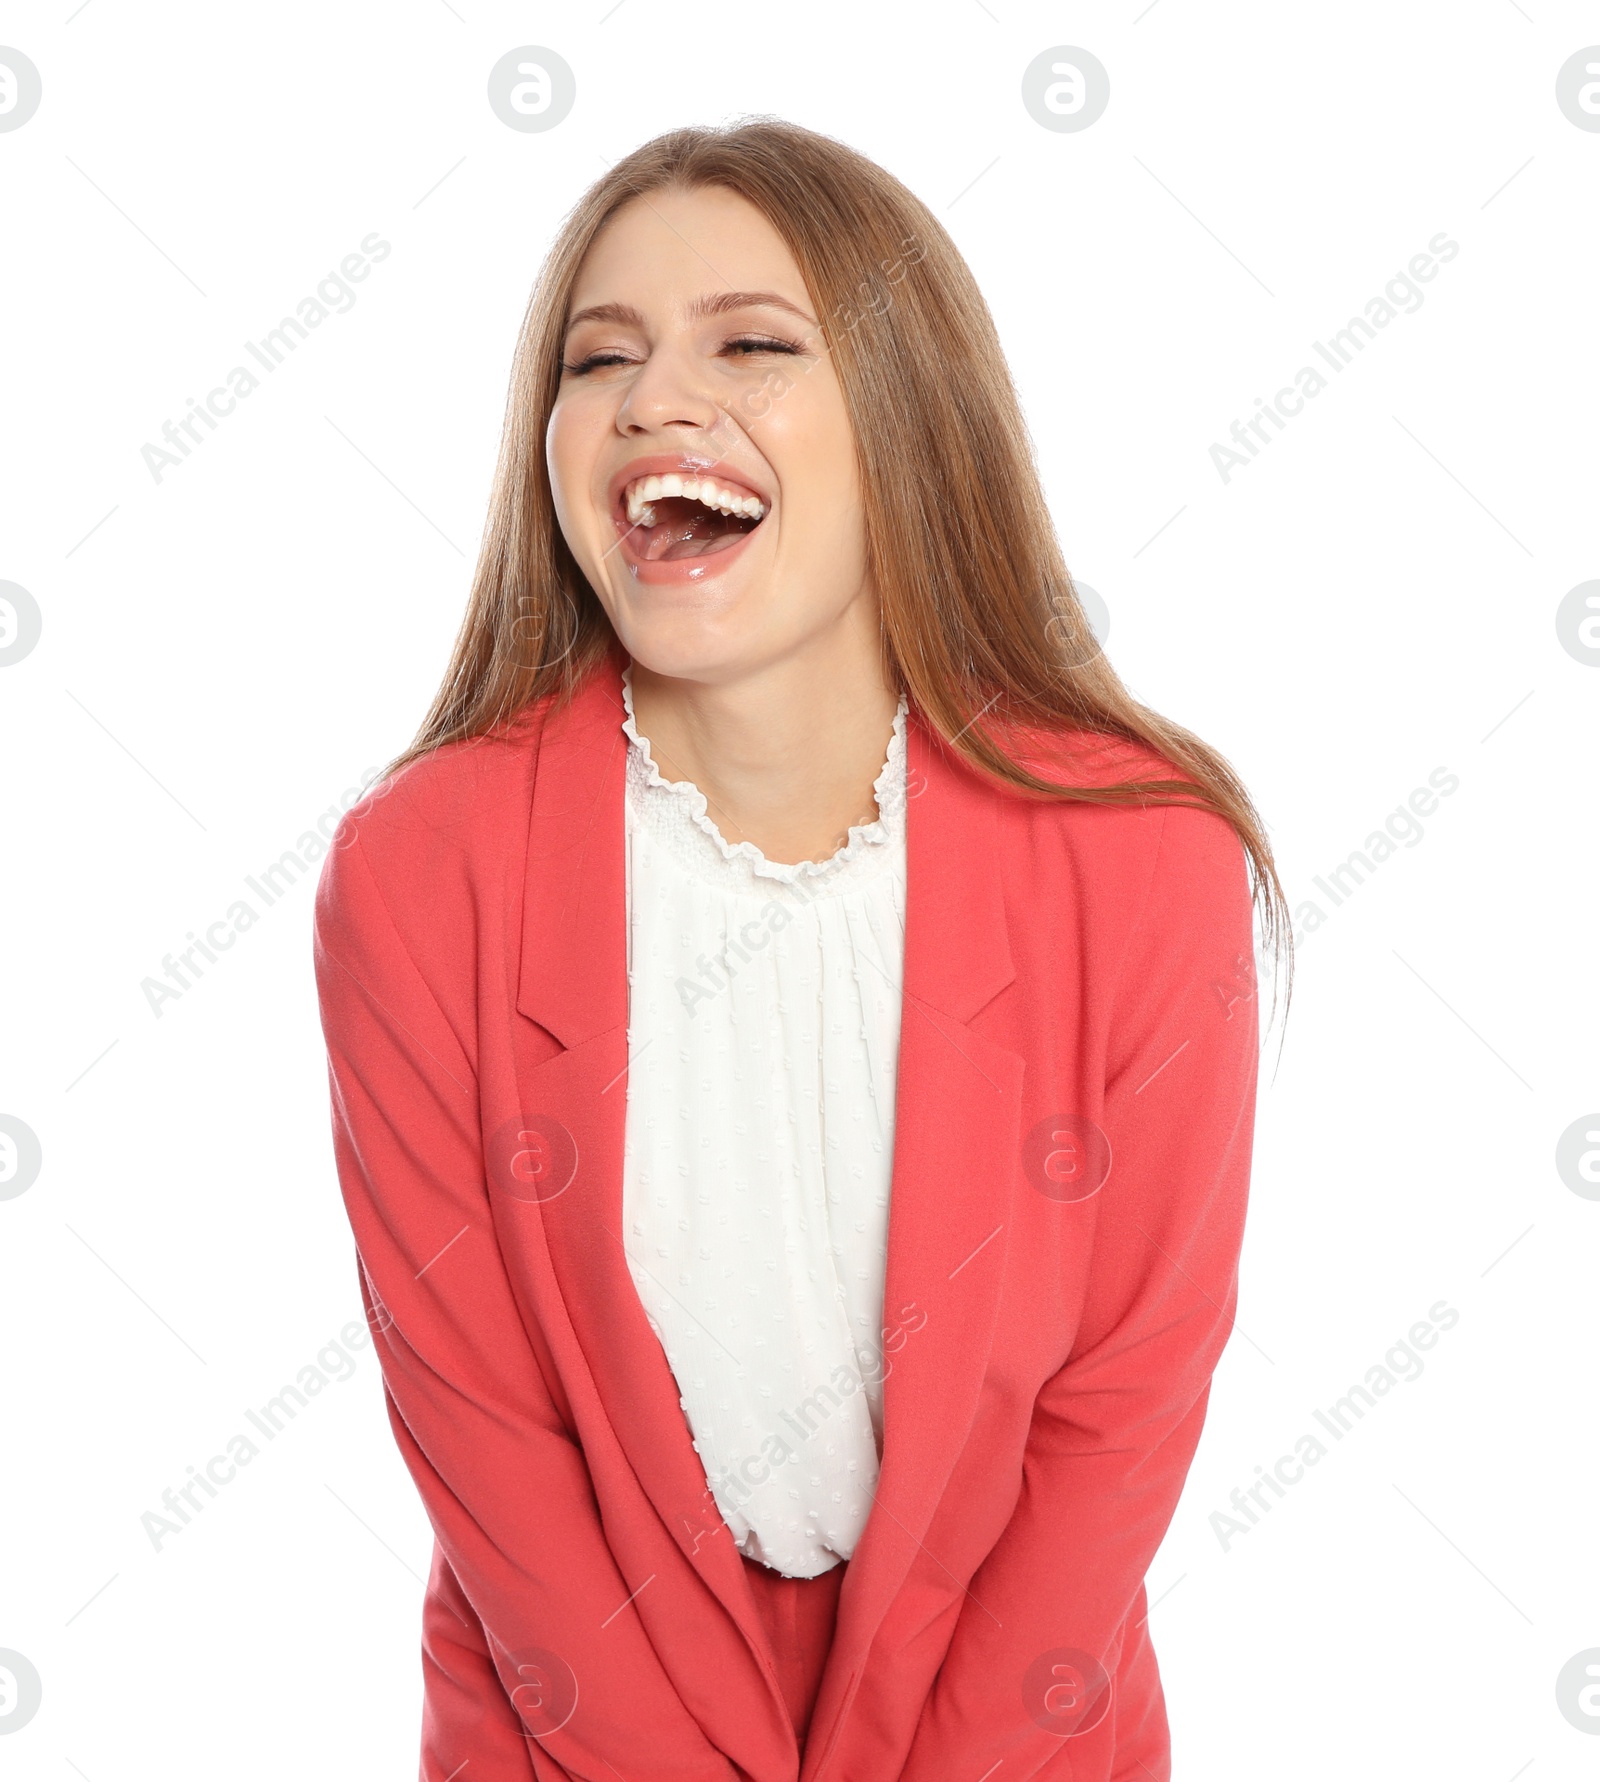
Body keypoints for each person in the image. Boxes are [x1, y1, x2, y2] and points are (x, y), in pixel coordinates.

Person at [313, 117, 1287, 1782]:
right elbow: (486, 1439)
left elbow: (1116, 1421)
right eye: (595, 358)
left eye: (752, 344)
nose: (651, 401)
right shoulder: (420, 872)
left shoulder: (1147, 860)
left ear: (913, 417)